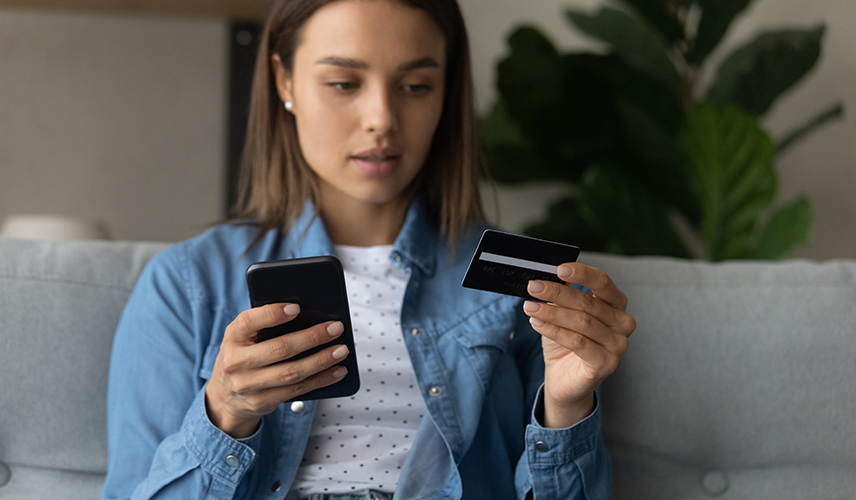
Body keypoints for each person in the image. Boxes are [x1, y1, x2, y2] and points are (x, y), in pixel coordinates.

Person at [100, 0, 636, 499]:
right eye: (343, 82)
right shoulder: (187, 283)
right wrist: (225, 411)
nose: (381, 117)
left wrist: (567, 407)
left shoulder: (519, 278)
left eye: (416, 85)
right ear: (284, 80)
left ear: (448, 92)